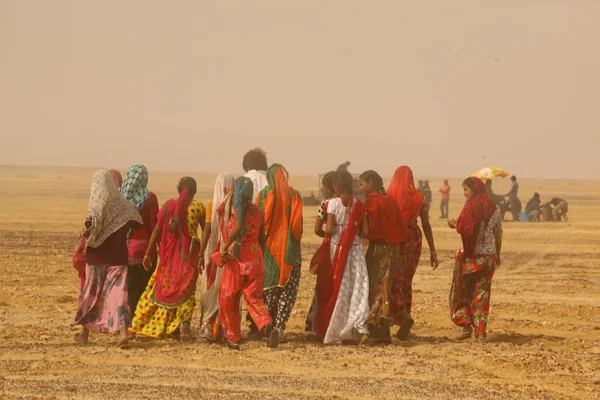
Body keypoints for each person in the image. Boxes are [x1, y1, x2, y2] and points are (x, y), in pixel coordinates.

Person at [71, 170, 142, 348]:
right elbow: (136, 220)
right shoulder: (121, 203)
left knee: (91, 294)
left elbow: (91, 227)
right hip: (118, 256)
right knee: (119, 294)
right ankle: (124, 332)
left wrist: (87, 233)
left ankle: (85, 335)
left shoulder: (96, 203)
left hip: (97, 257)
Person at [131, 177, 205, 341]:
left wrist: (149, 253)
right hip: (189, 256)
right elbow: (206, 231)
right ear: (195, 191)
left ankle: (139, 324)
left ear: (178, 189)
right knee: (186, 291)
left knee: (159, 289)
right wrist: (202, 254)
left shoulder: (168, 206)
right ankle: (183, 325)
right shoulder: (199, 207)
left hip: (169, 258)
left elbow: (157, 230)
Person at [216, 176, 277, 350]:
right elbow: (262, 239)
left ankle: (232, 337)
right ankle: (266, 326)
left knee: (229, 298)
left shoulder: (237, 211)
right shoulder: (258, 211)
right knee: (254, 298)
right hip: (256, 260)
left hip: (237, 261)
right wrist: (260, 258)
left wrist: (225, 249)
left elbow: (236, 229)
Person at [313, 170, 370, 345]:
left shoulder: (333, 204)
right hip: (356, 253)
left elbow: (329, 230)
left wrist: (336, 233)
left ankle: (336, 330)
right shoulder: (359, 204)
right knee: (357, 290)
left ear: (336, 186)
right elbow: (365, 232)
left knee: (338, 291)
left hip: (337, 251)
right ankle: (357, 329)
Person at [448, 177, 502, 343]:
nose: (465, 194)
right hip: (488, 258)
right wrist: (497, 254)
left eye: (466, 190)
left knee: (463, 293)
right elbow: (498, 233)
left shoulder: (470, 207)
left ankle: (465, 324)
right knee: (482, 295)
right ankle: (480, 332)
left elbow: (467, 230)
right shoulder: (494, 207)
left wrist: (454, 225)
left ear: (474, 190)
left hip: (471, 258)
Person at [387, 166, 439, 340]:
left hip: (395, 240)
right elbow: (426, 225)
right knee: (406, 280)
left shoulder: (389, 195)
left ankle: (399, 316)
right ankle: (404, 319)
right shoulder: (420, 198)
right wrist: (432, 250)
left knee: (393, 279)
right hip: (413, 240)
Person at [358, 170, 408, 344]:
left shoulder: (372, 203)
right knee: (386, 285)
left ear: (371, 184)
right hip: (393, 249)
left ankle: (374, 326)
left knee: (377, 288)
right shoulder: (390, 201)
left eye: (362, 184)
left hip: (379, 249)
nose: (360, 188)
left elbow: (369, 229)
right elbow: (401, 227)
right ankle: (383, 331)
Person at [257, 164, 303, 342]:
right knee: (288, 290)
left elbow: (261, 221)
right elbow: (297, 226)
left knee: (269, 289)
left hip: (268, 250)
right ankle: (279, 327)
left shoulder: (263, 195)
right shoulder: (294, 196)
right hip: (290, 252)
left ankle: (269, 325)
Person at [197, 173, 235, 342]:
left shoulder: (212, 204)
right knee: (226, 290)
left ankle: (207, 327)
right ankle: (224, 329)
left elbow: (207, 230)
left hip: (213, 253)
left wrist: (201, 253)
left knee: (209, 290)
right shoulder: (236, 206)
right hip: (229, 254)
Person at [120, 164, 159, 317]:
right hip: (144, 249)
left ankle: (125, 322)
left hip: (123, 248)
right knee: (144, 286)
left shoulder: (120, 195)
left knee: (128, 286)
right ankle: (140, 321)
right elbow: (153, 226)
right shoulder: (149, 197)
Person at [305, 171, 336, 333]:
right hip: (346, 248)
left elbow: (317, 229)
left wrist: (329, 237)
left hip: (329, 248)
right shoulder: (350, 203)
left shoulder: (325, 204)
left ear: (329, 188)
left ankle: (314, 322)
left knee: (323, 286)